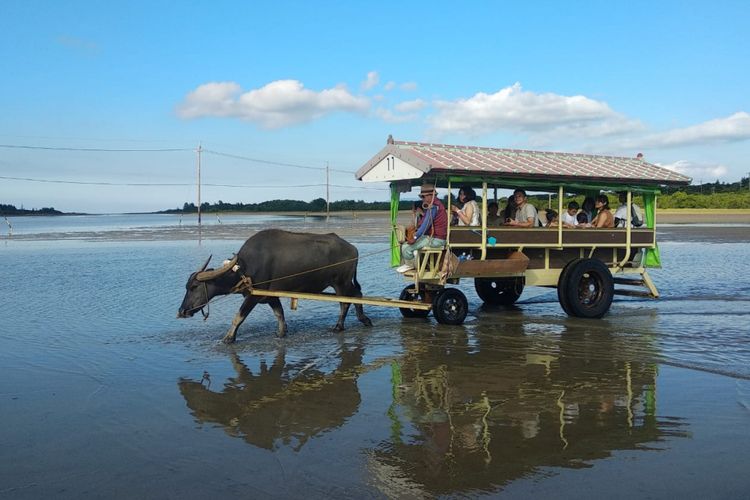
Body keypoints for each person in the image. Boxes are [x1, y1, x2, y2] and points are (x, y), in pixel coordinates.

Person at [397, 183, 448, 273]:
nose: (423, 199)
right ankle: (413, 264)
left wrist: (415, 238)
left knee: (407, 247)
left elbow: (425, 225)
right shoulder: (436, 205)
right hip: (435, 237)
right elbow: (425, 224)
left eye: (424, 197)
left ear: (431, 196)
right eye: (422, 197)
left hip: (436, 239)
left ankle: (411, 265)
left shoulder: (433, 207)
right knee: (407, 245)